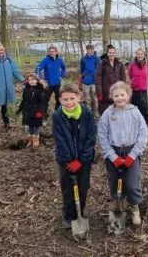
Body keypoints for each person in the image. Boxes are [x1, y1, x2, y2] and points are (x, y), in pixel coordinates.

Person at [98, 81, 148, 225]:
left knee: (132, 183)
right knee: (115, 181)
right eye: (116, 96)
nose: (119, 98)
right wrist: (112, 156)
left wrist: (133, 155)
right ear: (111, 97)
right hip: (114, 151)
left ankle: (135, 208)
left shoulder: (135, 111)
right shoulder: (108, 113)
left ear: (128, 95)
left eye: (122, 95)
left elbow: (143, 133)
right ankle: (118, 206)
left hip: (131, 151)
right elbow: (102, 135)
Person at [52, 84, 96, 229]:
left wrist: (82, 160)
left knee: (83, 187)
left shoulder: (87, 113)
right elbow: (60, 140)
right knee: (67, 188)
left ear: (79, 97)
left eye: (72, 98)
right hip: (66, 161)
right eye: (65, 100)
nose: (69, 102)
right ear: (60, 100)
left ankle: (80, 212)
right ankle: (68, 214)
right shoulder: (58, 116)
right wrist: (70, 160)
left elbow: (90, 139)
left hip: (84, 160)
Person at [0, 43, 24, 133]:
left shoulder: (10, 60)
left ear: (4, 50)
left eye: (1, 50)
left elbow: (16, 72)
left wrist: (23, 80)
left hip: (9, 87)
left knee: (5, 105)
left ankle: (6, 123)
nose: (0, 52)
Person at [36, 46, 67, 124]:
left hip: (57, 84)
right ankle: (44, 117)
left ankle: (57, 115)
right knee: (44, 101)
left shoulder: (59, 60)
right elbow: (38, 68)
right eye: (50, 51)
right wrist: (40, 79)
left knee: (59, 100)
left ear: (56, 52)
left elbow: (64, 68)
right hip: (48, 85)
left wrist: (61, 75)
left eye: (53, 51)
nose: (51, 53)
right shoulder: (46, 60)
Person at [128, 47, 148, 127]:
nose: (140, 56)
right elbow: (130, 75)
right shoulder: (132, 64)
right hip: (136, 89)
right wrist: (135, 82)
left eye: (141, 54)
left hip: (146, 89)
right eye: (138, 54)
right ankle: (137, 122)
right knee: (136, 106)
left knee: (147, 107)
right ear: (136, 55)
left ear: (144, 55)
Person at [95, 45, 126, 115]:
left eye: (113, 53)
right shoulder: (102, 64)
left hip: (117, 93)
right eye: (110, 53)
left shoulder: (120, 64)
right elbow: (98, 80)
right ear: (107, 53)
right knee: (106, 113)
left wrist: (124, 91)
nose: (112, 54)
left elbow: (123, 79)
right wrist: (99, 94)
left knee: (118, 113)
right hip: (105, 94)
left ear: (115, 53)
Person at [17, 73, 45, 148]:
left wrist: (40, 111)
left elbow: (42, 103)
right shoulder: (26, 89)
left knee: (36, 126)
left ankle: (36, 140)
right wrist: (20, 108)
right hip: (28, 111)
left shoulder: (40, 90)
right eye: (29, 80)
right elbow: (24, 100)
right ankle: (30, 140)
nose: (31, 81)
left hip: (36, 111)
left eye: (33, 80)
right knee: (29, 126)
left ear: (36, 80)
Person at [79, 44, 101, 114]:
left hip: (94, 82)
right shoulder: (83, 59)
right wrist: (80, 80)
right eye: (89, 49)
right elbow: (81, 70)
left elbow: (100, 69)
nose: (90, 51)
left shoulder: (97, 58)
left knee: (94, 99)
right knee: (86, 99)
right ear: (87, 50)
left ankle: (95, 113)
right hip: (85, 81)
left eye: (92, 49)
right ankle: (87, 113)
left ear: (93, 50)